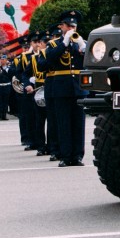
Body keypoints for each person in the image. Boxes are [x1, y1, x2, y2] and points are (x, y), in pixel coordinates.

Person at [38, 11, 87, 167]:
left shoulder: (82, 42)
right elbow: (46, 62)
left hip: (78, 88)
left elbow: (92, 62)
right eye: (69, 26)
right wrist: (64, 43)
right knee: (63, 123)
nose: (72, 28)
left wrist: (83, 47)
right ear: (62, 27)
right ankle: (65, 156)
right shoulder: (54, 44)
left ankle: (77, 155)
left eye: (74, 26)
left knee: (79, 124)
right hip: (61, 89)